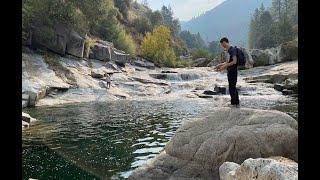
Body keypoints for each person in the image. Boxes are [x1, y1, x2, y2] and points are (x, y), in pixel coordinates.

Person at [215, 37, 240, 107]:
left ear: (225, 42)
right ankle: (236, 103)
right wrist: (220, 65)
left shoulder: (232, 50)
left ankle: (234, 103)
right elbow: (227, 62)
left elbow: (234, 61)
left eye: (222, 44)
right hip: (230, 71)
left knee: (232, 87)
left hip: (233, 71)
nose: (222, 46)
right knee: (232, 87)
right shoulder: (229, 51)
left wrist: (224, 67)